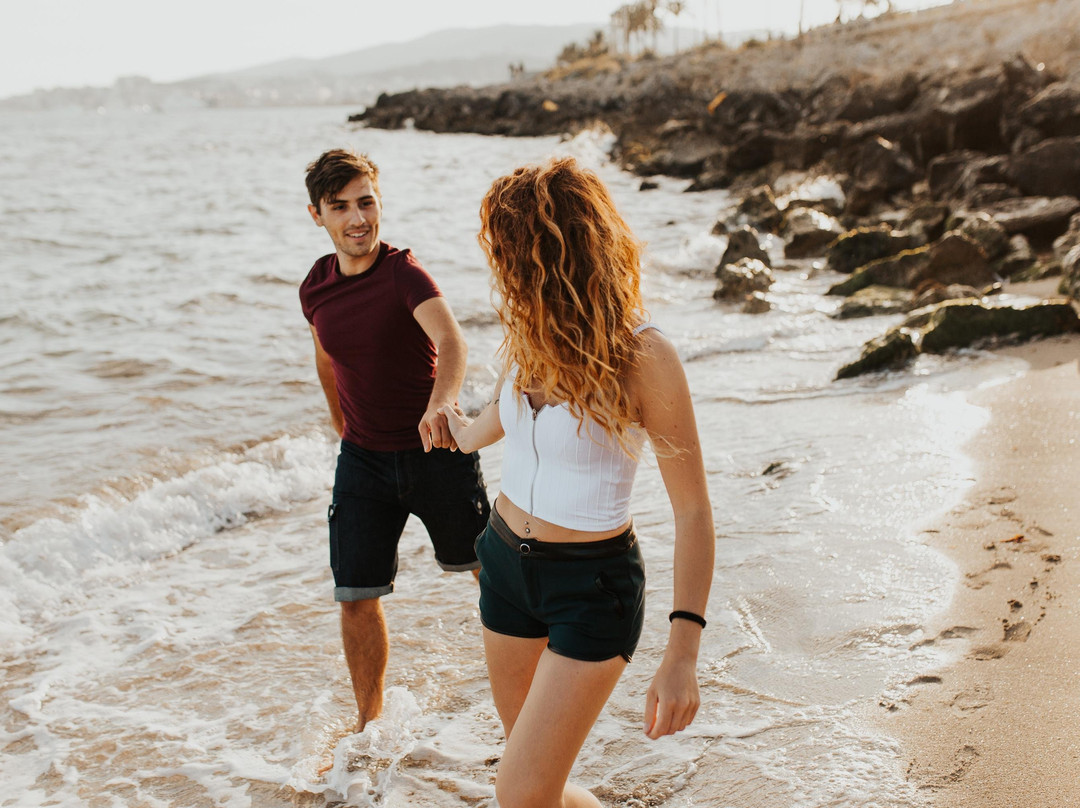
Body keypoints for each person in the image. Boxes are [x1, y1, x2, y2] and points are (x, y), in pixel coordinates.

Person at [440, 157, 714, 808]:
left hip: (591, 589)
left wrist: (682, 655)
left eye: (508, 255)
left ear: (547, 255)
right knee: (537, 788)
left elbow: (694, 512)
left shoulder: (644, 356)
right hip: (504, 568)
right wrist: (448, 423)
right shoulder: (532, 336)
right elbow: (493, 424)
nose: (501, 273)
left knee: (520, 790)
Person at [299, 148, 491, 732]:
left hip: (438, 454)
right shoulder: (315, 286)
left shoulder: (405, 273)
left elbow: (453, 344)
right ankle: (368, 724)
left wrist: (442, 402)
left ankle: (528, 695)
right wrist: (341, 425)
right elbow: (326, 360)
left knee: (489, 572)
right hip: (363, 463)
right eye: (341, 207)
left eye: (366, 202)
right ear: (318, 216)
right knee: (355, 595)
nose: (357, 219)